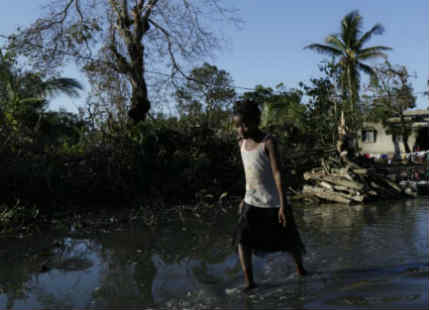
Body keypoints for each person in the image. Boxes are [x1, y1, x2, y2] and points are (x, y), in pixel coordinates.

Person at [232, 100, 307, 292]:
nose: (241, 129)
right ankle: (249, 281)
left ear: (256, 121)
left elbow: (277, 173)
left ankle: (301, 270)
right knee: (243, 240)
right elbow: (248, 172)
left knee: (290, 241)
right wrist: (244, 196)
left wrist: (283, 205)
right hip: (251, 201)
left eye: (245, 124)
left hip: (273, 202)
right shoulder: (241, 142)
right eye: (238, 125)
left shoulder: (268, 142)